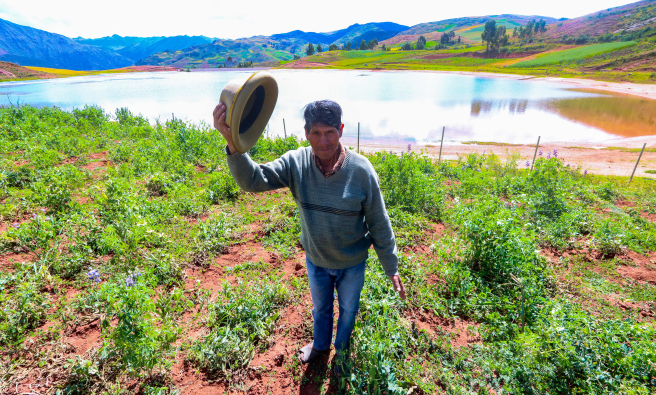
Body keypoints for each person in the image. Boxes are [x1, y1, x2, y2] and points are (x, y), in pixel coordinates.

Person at [212, 99, 406, 376]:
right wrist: (232, 142)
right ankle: (320, 346)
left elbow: (378, 222)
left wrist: (391, 266)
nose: (323, 141)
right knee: (321, 309)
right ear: (306, 133)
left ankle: (342, 352)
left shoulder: (361, 171)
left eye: (330, 132)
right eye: (316, 133)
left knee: (348, 311)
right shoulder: (296, 163)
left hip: (352, 264)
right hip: (316, 260)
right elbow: (252, 180)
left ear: (340, 130)